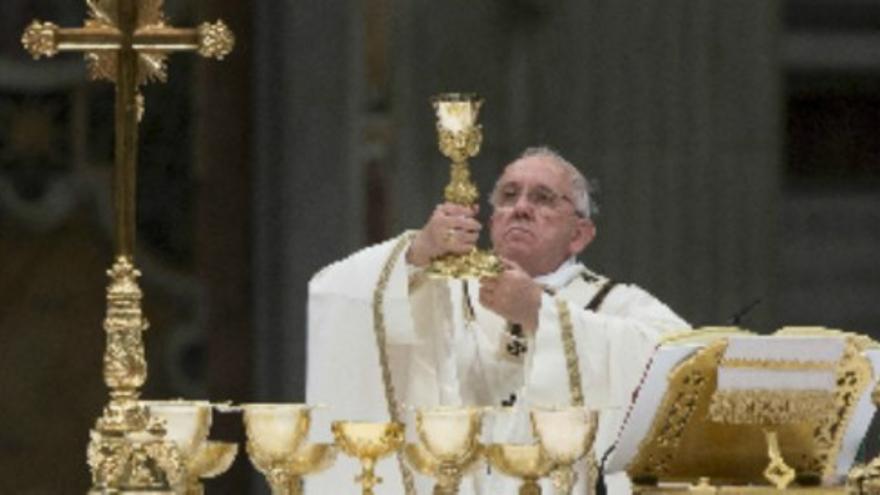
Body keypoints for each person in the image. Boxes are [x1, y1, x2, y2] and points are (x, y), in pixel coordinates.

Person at [306, 147, 689, 494]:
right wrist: (420, 250)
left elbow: (683, 362)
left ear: (579, 234)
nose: (521, 207)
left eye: (543, 198)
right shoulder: (442, 292)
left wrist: (542, 314)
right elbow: (334, 294)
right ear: (491, 221)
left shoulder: (613, 304)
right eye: (509, 196)